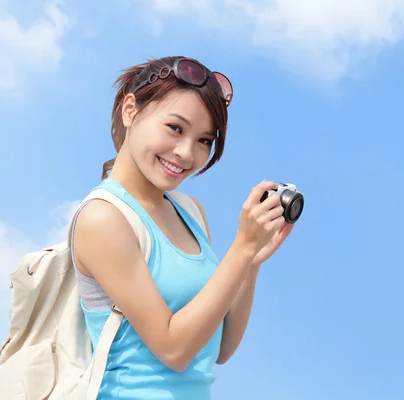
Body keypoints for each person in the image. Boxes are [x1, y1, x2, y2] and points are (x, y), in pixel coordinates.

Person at [70, 56, 295, 399]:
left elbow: (219, 349)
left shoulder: (190, 211)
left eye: (205, 140)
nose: (186, 153)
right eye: (175, 128)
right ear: (130, 110)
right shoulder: (103, 218)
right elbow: (174, 350)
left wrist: (250, 262)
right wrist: (241, 248)